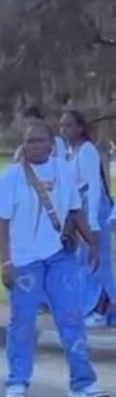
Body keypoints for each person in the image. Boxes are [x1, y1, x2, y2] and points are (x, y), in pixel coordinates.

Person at [0, 120, 108, 397]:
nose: (34, 146)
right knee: (23, 320)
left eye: (40, 140)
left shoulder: (63, 171)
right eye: (29, 141)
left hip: (58, 257)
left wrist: (92, 243)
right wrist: (5, 263)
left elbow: (75, 211)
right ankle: (17, 380)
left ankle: (82, 383)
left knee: (71, 317)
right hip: (24, 261)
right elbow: (1, 224)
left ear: (51, 144)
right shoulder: (11, 177)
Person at [60, 109, 115, 325]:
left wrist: (92, 222)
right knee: (84, 260)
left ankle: (102, 309)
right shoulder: (71, 152)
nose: (64, 130)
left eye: (69, 125)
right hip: (80, 207)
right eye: (62, 126)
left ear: (80, 128)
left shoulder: (87, 150)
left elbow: (94, 187)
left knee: (98, 258)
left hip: (94, 207)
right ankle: (94, 305)